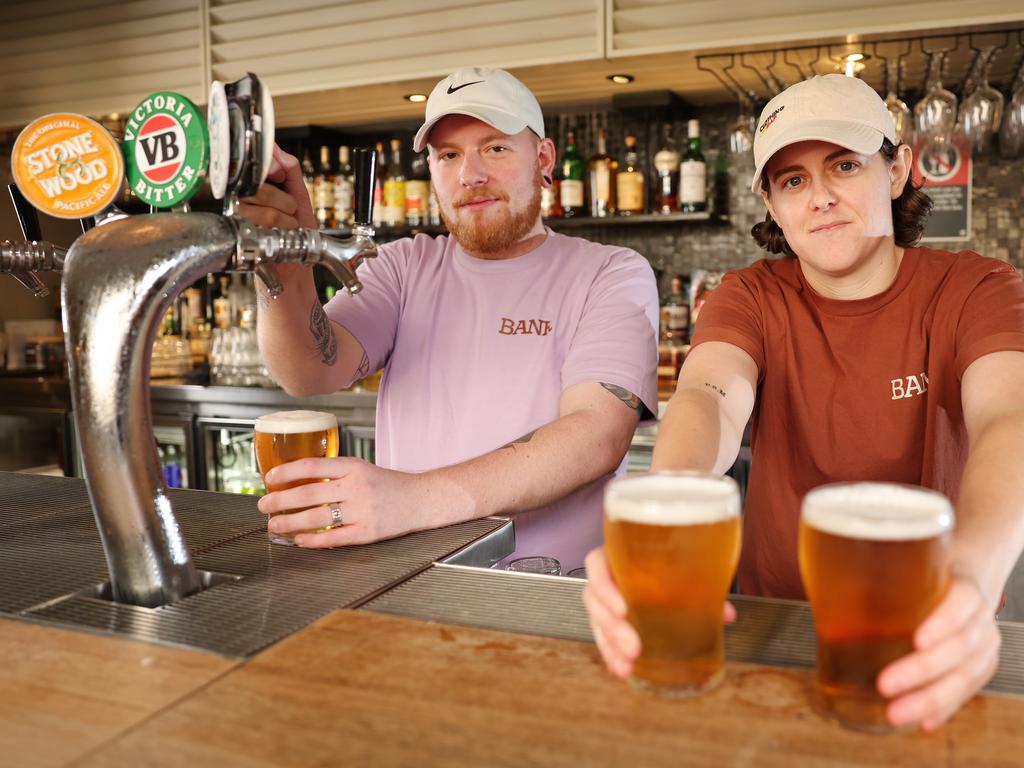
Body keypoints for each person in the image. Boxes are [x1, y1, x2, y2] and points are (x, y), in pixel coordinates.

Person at [583, 74, 1024, 730]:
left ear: (898, 168)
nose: (820, 198)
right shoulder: (750, 295)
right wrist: (665, 515)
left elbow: (1007, 416)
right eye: (792, 180)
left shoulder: (977, 287)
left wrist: (973, 573)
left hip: (928, 624)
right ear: (771, 201)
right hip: (770, 626)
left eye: (844, 165)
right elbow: (709, 395)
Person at [240, 67, 659, 572]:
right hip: (415, 583)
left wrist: (413, 499)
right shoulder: (401, 266)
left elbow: (596, 434)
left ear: (544, 160)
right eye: (449, 155)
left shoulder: (609, 273)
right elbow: (307, 372)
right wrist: (280, 260)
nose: (470, 175)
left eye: (496, 148)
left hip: (559, 599)